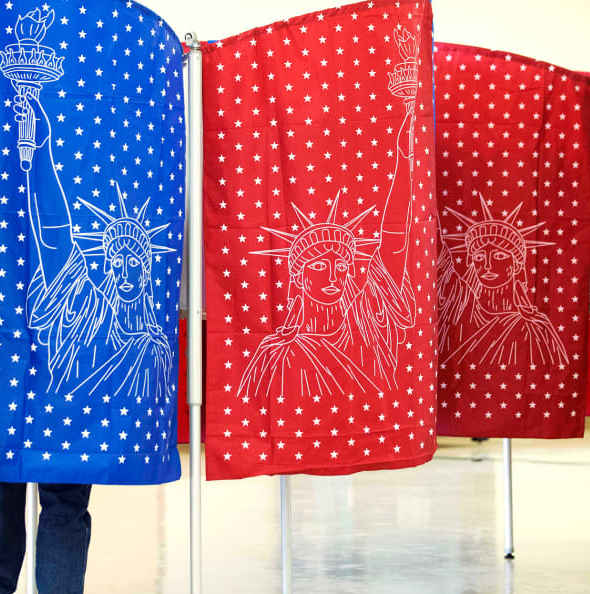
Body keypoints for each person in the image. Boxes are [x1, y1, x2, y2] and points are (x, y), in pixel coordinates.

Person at [237, 29, 421, 398]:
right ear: (299, 278)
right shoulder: (277, 356)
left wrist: (404, 151)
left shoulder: (369, 322)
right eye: (319, 266)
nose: (333, 274)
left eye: (340, 264)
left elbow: (396, 233)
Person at [437, 198, 568, 369]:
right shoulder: (462, 306)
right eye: (479, 257)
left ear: (516, 265)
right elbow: (438, 256)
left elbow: (553, 380)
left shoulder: (535, 327)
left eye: (499, 256)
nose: (488, 265)